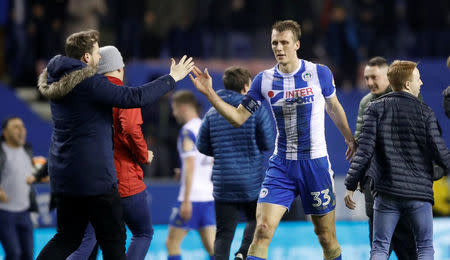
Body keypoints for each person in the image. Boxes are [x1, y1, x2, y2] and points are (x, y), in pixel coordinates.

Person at [190, 20, 356, 260]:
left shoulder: (319, 73)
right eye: (274, 43)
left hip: (315, 164)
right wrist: (210, 93)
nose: (279, 47)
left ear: (297, 44)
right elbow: (238, 118)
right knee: (262, 229)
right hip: (282, 167)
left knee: (326, 237)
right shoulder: (263, 80)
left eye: (284, 42)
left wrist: (350, 139)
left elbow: (334, 107)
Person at [36, 29, 194, 260]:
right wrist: (172, 79)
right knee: (114, 238)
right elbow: (134, 98)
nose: (99, 58)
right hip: (95, 179)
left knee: (67, 238)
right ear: (86, 58)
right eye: (96, 53)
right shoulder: (90, 84)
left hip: (64, 178)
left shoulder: (58, 82)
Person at [344, 60, 450, 259]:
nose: (422, 83)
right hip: (419, 194)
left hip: (386, 193)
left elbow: (364, 151)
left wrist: (350, 184)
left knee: (380, 248)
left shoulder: (373, 109)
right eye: (418, 79)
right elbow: (440, 151)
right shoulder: (425, 112)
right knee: (425, 247)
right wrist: (441, 170)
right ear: (408, 84)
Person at [67, 45, 156, 260]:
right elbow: (131, 128)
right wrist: (144, 155)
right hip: (123, 181)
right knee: (143, 232)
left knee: (87, 240)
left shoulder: (84, 96)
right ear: (119, 68)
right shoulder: (124, 94)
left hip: (90, 183)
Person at [196, 67, 275, 260]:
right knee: (257, 220)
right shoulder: (256, 109)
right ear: (247, 86)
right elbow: (268, 143)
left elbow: (201, 145)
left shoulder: (213, 112)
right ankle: (243, 252)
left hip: (223, 183)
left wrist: (221, 151)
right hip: (251, 183)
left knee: (223, 234)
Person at [356, 56, 417, 259]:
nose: (369, 83)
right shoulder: (365, 103)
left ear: (388, 76)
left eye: (374, 77)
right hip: (376, 191)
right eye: (366, 78)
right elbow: (361, 145)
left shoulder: (411, 96)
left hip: (405, 190)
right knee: (379, 249)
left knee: (409, 250)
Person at [166, 90, 215, 260]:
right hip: (209, 197)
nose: (173, 113)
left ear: (184, 108)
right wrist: (186, 172)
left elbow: (190, 163)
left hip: (191, 198)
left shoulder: (187, 131)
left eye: (175, 108)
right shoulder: (206, 127)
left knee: (172, 244)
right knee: (212, 247)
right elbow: (211, 161)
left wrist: (186, 200)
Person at [0, 116, 38, 260]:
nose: (21, 130)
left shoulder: (27, 149)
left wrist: (40, 175)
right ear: (5, 132)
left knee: (28, 255)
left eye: (22, 126)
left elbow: (29, 174)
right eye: (16, 127)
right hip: (4, 213)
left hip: (24, 213)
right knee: (14, 254)